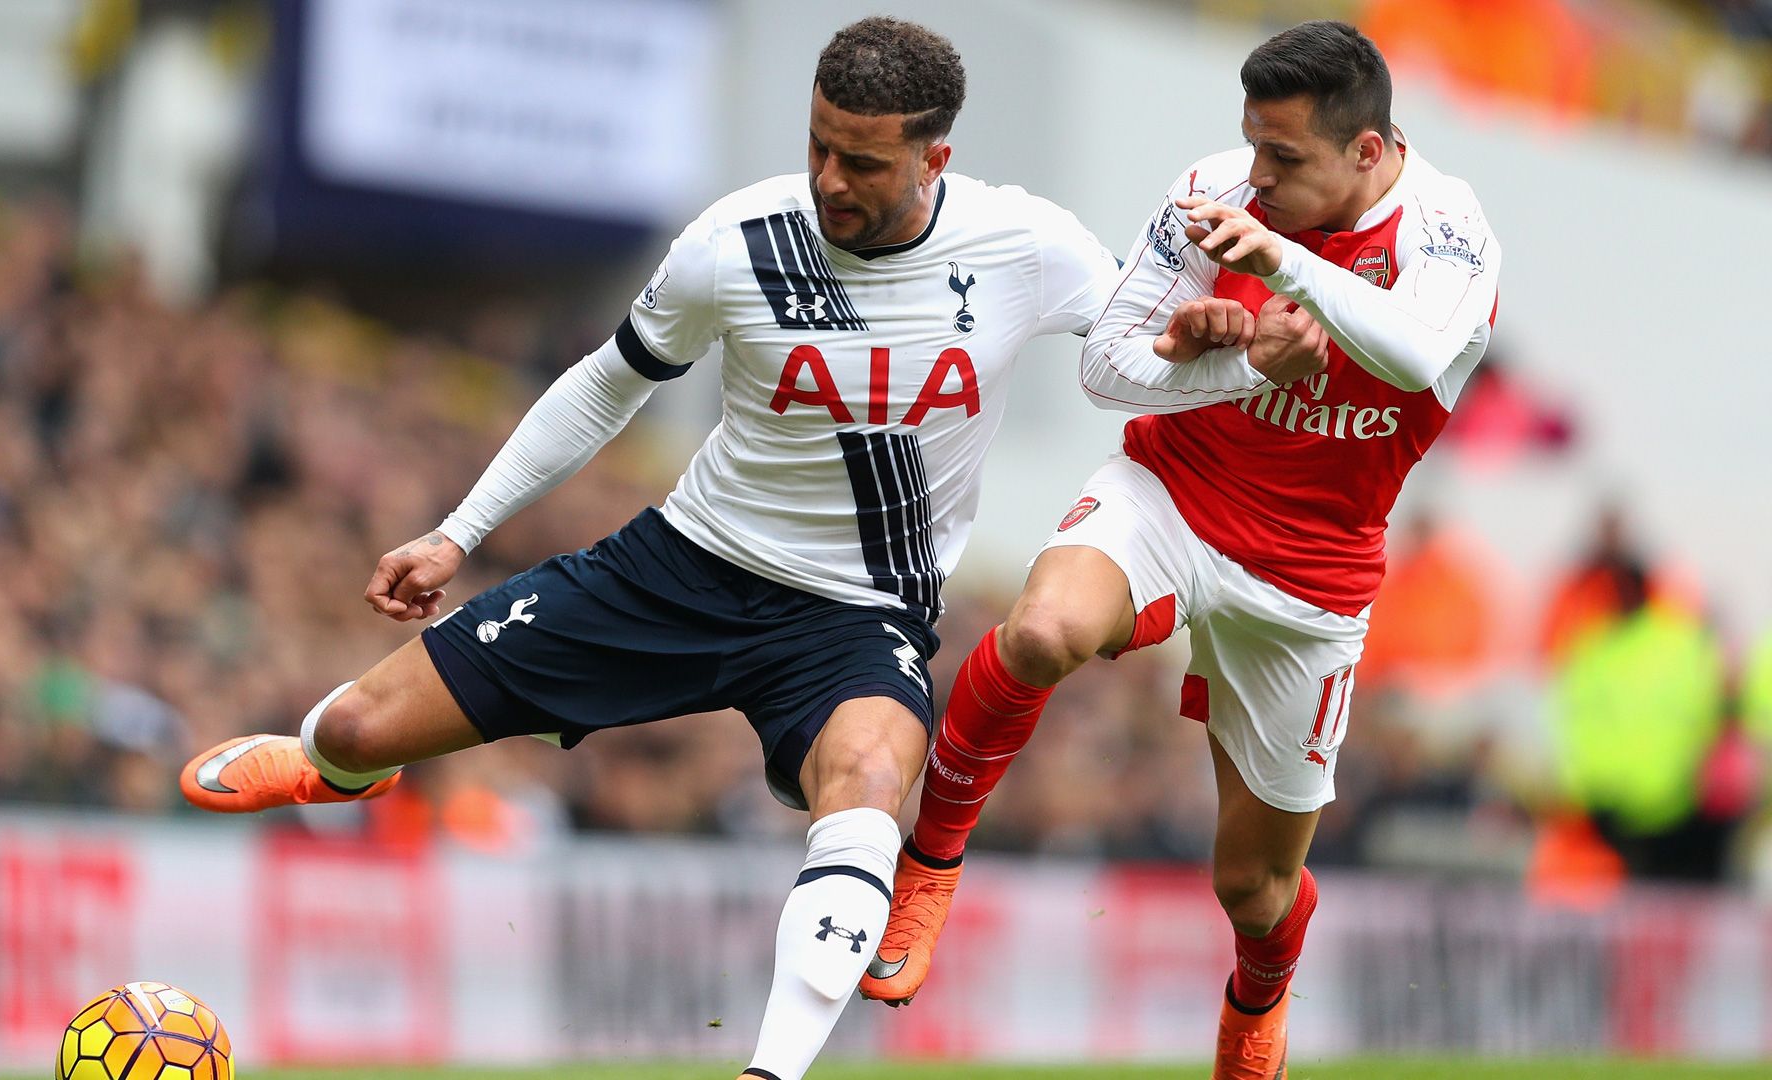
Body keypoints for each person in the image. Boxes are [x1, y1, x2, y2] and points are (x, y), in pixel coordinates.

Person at [176, 17, 1122, 1080]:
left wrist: (1235, 338)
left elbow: (1144, 338)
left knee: (864, 789)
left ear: (932, 159)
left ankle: (773, 1070)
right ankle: (337, 773)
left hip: (856, 617)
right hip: (679, 568)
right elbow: (606, 383)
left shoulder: (1023, 246)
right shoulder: (740, 241)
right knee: (354, 724)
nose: (827, 177)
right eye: (817, 144)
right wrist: (456, 533)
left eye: (860, 161)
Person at [857, 20, 1502, 1080]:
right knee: (1044, 629)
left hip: (1313, 571)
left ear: (1369, 153)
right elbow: (1108, 371)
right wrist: (1232, 361)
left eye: (1286, 160)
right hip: (1177, 489)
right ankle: (928, 864)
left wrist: (1283, 267)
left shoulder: (1448, 229)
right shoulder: (1219, 192)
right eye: (1254, 146)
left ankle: (1258, 999)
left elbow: (1419, 349)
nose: (1258, 178)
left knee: (1251, 887)